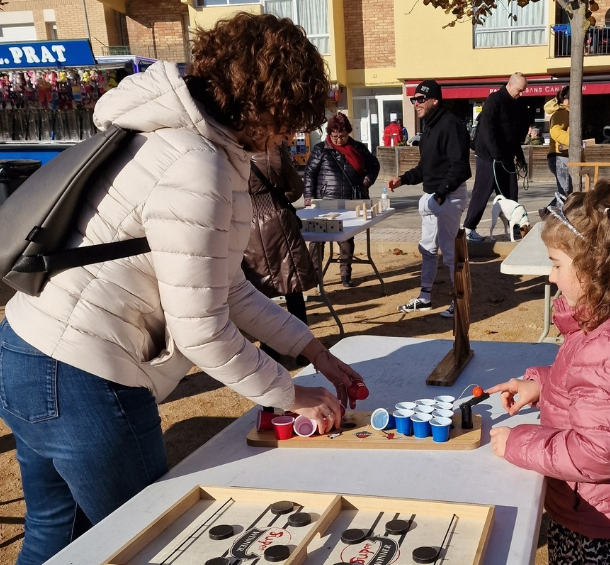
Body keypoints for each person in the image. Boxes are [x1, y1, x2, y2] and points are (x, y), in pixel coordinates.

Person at [0, 14, 364, 565]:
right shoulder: (198, 165)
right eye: (290, 120)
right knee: (147, 542)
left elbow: (227, 287)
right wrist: (292, 395)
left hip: (27, 348)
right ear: (268, 102)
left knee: (57, 535)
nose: (290, 136)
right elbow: (202, 331)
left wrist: (312, 350)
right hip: (84, 375)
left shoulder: (165, 134)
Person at [487, 178, 610, 565]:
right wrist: (541, 385)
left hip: (599, 522)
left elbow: (599, 454)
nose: (550, 277)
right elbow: (591, 388)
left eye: (556, 264)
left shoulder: (609, 344)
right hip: (603, 507)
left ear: (594, 267)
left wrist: (518, 444)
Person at [388, 79, 471, 317]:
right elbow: (426, 168)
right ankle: (425, 298)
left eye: (421, 99)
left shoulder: (451, 125)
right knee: (427, 248)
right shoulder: (428, 130)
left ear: (435, 100)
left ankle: (460, 301)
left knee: (450, 252)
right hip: (434, 197)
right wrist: (402, 179)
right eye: (413, 100)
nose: (416, 103)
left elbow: (460, 167)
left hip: (448, 196)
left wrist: (442, 194)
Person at [242, 140, 317, 365]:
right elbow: (295, 188)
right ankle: (303, 350)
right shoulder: (273, 146)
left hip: (246, 225)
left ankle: (269, 347)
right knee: (292, 286)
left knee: (260, 292)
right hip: (278, 221)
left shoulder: (230, 147)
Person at [304, 112, 380, 288]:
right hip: (323, 203)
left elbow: (374, 165)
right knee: (317, 240)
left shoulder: (358, 148)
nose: (339, 140)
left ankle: (345, 275)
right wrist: (308, 198)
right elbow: (309, 174)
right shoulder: (320, 149)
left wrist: (366, 181)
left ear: (348, 133)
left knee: (346, 239)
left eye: (343, 136)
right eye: (335, 136)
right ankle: (315, 277)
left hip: (349, 202)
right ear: (329, 134)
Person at [463, 72, 529, 242]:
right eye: (519, 90)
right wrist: (495, 154)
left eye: (523, 91)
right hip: (488, 156)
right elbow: (487, 129)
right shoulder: (495, 99)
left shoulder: (516, 104)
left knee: (511, 192)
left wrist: (520, 156)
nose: (521, 94)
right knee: (482, 191)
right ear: (510, 84)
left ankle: (515, 228)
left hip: (506, 156)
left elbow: (513, 134)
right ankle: (469, 228)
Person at [544, 86, 572, 201]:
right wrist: (573, 141)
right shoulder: (562, 113)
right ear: (567, 100)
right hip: (559, 156)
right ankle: (550, 210)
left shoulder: (565, 113)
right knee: (565, 193)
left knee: (565, 192)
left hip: (560, 156)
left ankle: (549, 210)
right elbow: (555, 131)